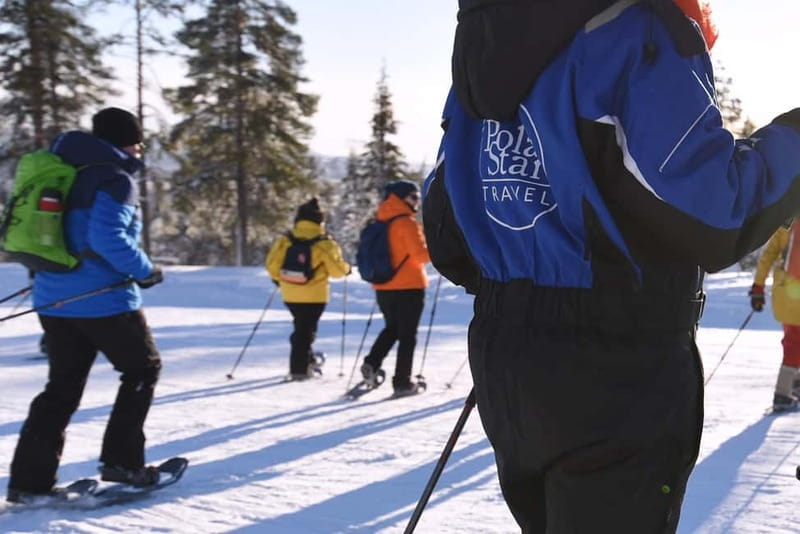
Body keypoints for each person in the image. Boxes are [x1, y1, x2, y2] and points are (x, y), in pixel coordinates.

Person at [423, 1, 800, 532]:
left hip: (508, 357)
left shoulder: (485, 40)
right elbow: (715, 211)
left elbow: (448, 234)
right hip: (615, 360)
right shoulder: (633, 30)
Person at [7, 107, 164, 503]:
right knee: (142, 369)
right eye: (138, 141)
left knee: (61, 387)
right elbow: (107, 238)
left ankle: (30, 482)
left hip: (53, 298)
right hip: (103, 299)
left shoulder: (63, 167)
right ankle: (123, 462)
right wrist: (145, 269)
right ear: (126, 142)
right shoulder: (113, 178)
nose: (140, 149)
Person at [266, 198, 350, 380]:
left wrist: (280, 280)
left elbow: (272, 266)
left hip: (289, 292)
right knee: (305, 331)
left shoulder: (285, 240)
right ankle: (299, 369)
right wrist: (347, 269)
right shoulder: (325, 243)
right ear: (320, 220)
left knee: (301, 327)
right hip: (315, 295)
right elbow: (336, 272)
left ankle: (307, 359)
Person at [361, 180, 431, 396]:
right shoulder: (406, 223)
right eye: (413, 197)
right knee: (407, 335)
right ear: (400, 198)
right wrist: (438, 249)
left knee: (392, 328)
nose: (417, 201)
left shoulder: (379, 221)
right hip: (409, 286)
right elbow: (420, 255)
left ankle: (372, 362)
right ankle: (402, 382)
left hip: (383, 285)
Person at [749, 220, 800, 412]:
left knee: (793, 341)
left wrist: (758, 288)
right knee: (795, 345)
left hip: (784, 292)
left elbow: (767, 256)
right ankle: (782, 394)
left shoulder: (787, 223)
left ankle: (795, 385)